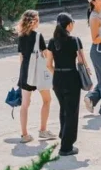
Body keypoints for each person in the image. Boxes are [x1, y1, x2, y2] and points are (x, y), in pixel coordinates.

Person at [45, 12, 89, 157]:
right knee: (72, 112)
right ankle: (66, 146)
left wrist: (57, 73)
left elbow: (48, 64)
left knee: (63, 108)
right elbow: (82, 61)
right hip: (71, 77)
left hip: (57, 78)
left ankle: (64, 135)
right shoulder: (75, 40)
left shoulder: (52, 41)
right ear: (69, 25)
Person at [15, 9, 55, 143]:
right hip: (38, 73)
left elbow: (21, 57)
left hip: (26, 72)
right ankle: (43, 130)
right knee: (47, 100)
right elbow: (46, 55)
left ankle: (24, 134)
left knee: (25, 104)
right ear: (33, 21)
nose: (39, 22)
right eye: (38, 19)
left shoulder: (20, 36)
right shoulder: (38, 36)